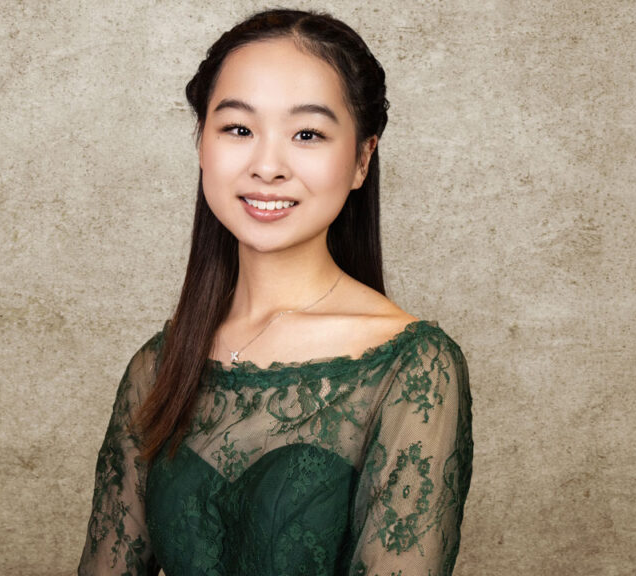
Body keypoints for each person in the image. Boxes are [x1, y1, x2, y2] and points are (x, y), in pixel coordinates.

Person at [77, 9, 472, 576]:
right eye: (238, 129)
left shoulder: (411, 368)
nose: (267, 166)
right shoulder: (157, 367)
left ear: (362, 158)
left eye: (307, 134)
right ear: (201, 144)